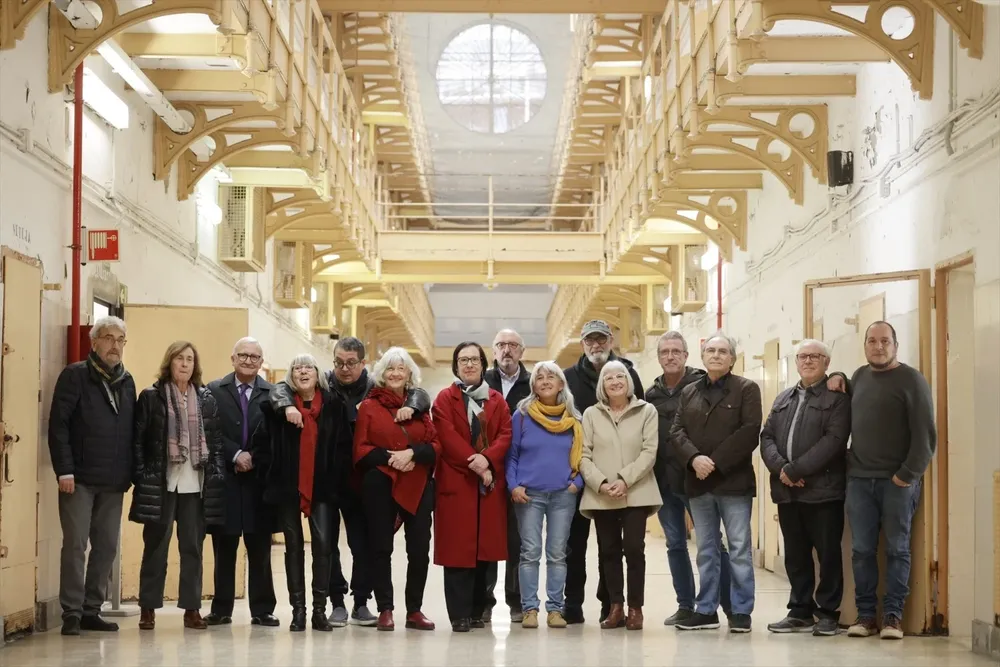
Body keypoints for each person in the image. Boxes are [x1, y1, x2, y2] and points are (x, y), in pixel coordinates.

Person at [269, 336, 429, 626]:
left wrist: (416, 406)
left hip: (362, 480)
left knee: (362, 544)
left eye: (351, 363)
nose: (344, 369)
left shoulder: (375, 387)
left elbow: (416, 393)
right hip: (328, 480)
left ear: (363, 363)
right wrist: (285, 405)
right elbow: (283, 386)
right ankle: (337, 601)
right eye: (339, 363)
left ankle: (361, 601)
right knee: (326, 544)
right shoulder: (325, 384)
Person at [832, 321, 935, 640]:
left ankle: (893, 617)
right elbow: (850, 389)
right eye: (872, 341)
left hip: (897, 482)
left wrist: (907, 474)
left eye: (885, 341)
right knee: (862, 550)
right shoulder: (860, 376)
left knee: (897, 549)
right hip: (860, 481)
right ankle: (865, 616)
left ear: (895, 345)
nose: (879, 346)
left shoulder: (912, 380)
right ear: (864, 345)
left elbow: (926, 435)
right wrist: (838, 375)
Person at [48, 316, 136, 636]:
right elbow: (58, 426)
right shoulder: (75, 376)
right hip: (79, 478)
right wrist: (64, 469)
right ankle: (71, 612)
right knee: (75, 545)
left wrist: (131, 472)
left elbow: (131, 430)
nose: (115, 345)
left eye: (120, 340)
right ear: (94, 341)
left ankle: (91, 609)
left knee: (107, 546)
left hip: (114, 480)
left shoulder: (127, 381)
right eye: (109, 338)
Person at [252, 354, 351, 632]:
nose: (303, 371)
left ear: (318, 374)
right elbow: (261, 444)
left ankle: (319, 611)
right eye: (297, 368)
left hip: (323, 488)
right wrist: (271, 474)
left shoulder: (334, 406)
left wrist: (336, 480)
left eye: (309, 367)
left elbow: (344, 447)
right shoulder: (277, 408)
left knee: (323, 546)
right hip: (287, 487)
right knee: (293, 546)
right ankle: (298, 611)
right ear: (291, 375)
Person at [131, 341, 226, 631]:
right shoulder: (151, 396)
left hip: (195, 486)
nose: (185, 364)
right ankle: (148, 608)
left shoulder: (206, 398)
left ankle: (192, 609)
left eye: (189, 359)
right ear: (169, 362)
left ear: (195, 365)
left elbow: (216, 443)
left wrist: (217, 475)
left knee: (192, 549)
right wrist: (142, 475)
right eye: (179, 358)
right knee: (155, 548)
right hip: (162, 485)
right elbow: (138, 441)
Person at [670, 333, 761, 633]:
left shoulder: (746, 389)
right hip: (699, 484)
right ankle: (706, 610)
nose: (716, 355)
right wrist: (694, 458)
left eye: (723, 351)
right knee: (706, 549)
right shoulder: (689, 392)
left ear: (732, 358)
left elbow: (749, 431)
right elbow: (677, 431)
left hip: (734, 484)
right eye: (711, 350)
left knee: (739, 548)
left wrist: (714, 462)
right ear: (703, 356)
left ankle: (741, 611)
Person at [760, 339, 850, 637]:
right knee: (795, 555)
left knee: (828, 554)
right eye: (802, 356)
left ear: (827, 362)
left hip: (824, 491)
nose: (808, 361)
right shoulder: (783, 398)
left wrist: (796, 469)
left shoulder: (837, 399)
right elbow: (766, 437)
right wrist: (782, 469)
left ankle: (827, 613)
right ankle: (800, 610)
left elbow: (834, 440)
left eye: (815, 356)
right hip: (788, 492)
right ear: (796, 361)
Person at [645, 331, 732, 626]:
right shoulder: (651, 395)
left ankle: (729, 605)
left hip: (698, 480)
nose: (670, 356)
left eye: (676, 351)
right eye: (665, 352)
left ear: (685, 355)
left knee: (712, 544)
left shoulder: (703, 384)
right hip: (665, 482)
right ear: (659, 357)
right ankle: (686, 605)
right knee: (675, 544)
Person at [562, 319, 644, 624]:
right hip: (579, 473)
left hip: (619, 479)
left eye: (601, 339)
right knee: (575, 543)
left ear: (610, 341)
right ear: (582, 344)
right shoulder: (568, 378)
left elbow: (638, 418)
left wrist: (625, 476)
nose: (596, 345)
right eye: (590, 340)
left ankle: (610, 604)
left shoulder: (628, 373)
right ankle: (573, 603)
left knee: (611, 546)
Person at [353, 347, 438, 632]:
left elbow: (435, 445)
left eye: (401, 368)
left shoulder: (419, 407)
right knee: (381, 547)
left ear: (409, 373)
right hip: (380, 482)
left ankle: (414, 610)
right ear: (381, 373)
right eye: (390, 368)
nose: (395, 373)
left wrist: (413, 454)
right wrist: (392, 458)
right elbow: (360, 449)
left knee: (419, 549)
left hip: (418, 482)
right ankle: (385, 609)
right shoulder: (369, 406)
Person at [433, 341, 513, 632]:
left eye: (474, 360)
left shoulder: (496, 400)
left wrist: (487, 459)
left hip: (488, 485)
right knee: (458, 552)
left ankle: (479, 610)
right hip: (458, 481)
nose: (469, 364)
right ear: (456, 366)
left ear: (483, 364)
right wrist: (477, 462)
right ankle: (459, 615)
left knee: (485, 552)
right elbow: (447, 437)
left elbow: (505, 434)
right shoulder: (444, 399)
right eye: (463, 360)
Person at [579, 361, 660, 631]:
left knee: (634, 549)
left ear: (629, 381)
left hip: (636, 491)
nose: (615, 381)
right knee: (609, 551)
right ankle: (615, 607)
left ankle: (636, 608)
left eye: (620, 376)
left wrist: (625, 480)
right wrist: (601, 483)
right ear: (602, 385)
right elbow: (583, 455)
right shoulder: (591, 414)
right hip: (602, 494)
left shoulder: (647, 411)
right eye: (608, 378)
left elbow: (649, 451)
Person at [203, 337, 278, 627]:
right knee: (224, 547)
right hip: (226, 480)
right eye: (243, 355)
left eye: (254, 356)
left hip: (259, 482)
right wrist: (235, 454)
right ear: (233, 358)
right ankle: (221, 608)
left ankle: (263, 609)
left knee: (260, 548)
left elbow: (275, 436)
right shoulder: (213, 390)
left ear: (261, 362)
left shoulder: (273, 394)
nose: (248, 360)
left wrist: (253, 457)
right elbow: (210, 431)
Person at [505, 361, 582, 629]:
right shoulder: (522, 415)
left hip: (563, 495)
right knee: (530, 552)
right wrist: (513, 486)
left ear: (561, 384)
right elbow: (512, 456)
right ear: (534, 386)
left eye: (551, 376)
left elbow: (584, 455)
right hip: (529, 495)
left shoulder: (574, 418)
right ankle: (529, 609)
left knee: (557, 553)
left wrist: (577, 483)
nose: (546, 381)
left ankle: (555, 610)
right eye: (540, 377)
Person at [483, 328, 531, 624]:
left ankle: (516, 601)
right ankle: (485, 601)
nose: (507, 350)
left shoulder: (533, 384)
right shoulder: (481, 381)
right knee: (487, 537)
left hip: (522, 473)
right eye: (501, 344)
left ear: (522, 351)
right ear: (493, 351)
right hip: (486, 470)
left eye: (513, 345)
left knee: (518, 539)